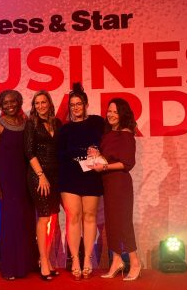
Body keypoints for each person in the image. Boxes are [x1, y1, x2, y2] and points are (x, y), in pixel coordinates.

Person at [88, 98, 142, 281]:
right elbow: (108, 159)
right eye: (109, 111)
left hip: (120, 183)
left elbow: (126, 163)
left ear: (122, 115)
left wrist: (104, 167)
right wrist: (97, 156)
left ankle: (135, 262)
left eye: (115, 112)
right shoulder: (108, 134)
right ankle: (117, 260)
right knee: (111, 223)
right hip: (108, 183)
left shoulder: (126, 134)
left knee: (123, 223)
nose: (110, 115)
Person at [0, 89, 37, 280]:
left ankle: (26, 264)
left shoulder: (25, 123)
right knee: (10, 222)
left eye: (13, 101)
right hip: (7, 180)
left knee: (26, 221)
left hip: (25, 179)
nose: (10, 105)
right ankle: (10, 268)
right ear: (1, 105)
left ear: (18, 102)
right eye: (6, 102)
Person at [57, 83, 104, 280]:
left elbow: (107, 143)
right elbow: (60, 154)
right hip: (69, 177)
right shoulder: (65, 129)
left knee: (90, 217)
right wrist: (84, 151)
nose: (75, 107)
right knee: (73, 217)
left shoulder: (97, 123)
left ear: (85, 104)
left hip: (91, 176)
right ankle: (75, 258)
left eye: (78, 104)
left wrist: (98, 151)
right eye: (72, 105)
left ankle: (88, 259)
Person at [24, 90, 62, 281]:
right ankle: (44, 262)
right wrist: (41, 176)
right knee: (44, 216)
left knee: (54, 217)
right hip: (39, 176)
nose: (40, 106)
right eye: (37, 103)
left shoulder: (57, 123)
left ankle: (44, 258)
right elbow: (29, 152)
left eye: (43, 102)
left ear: (49, 104)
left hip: (56, 176)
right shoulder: (31, 124)